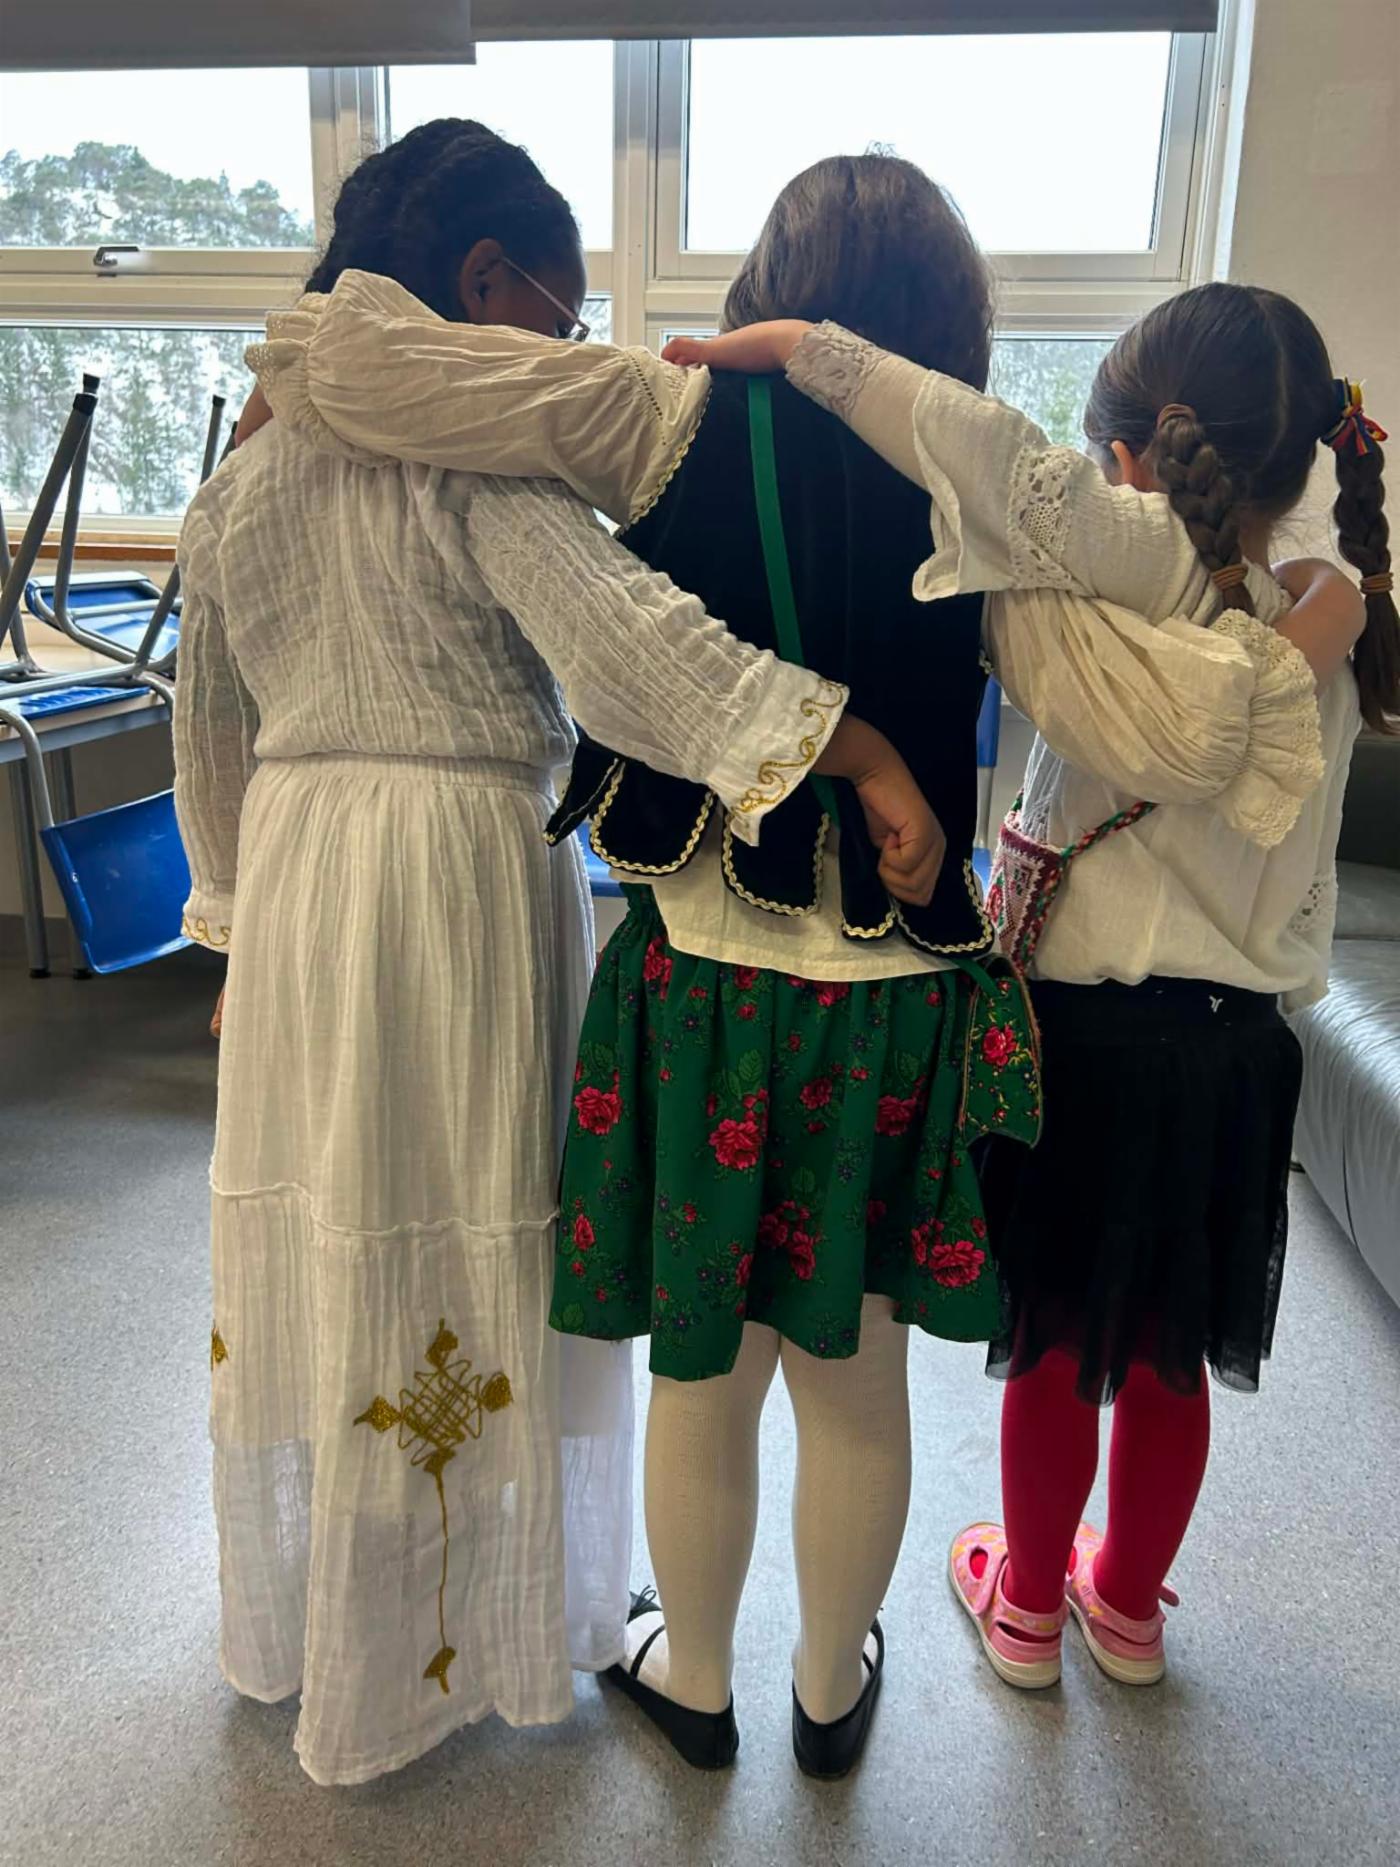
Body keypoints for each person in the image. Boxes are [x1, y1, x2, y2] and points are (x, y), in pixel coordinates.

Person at [244, 163, 1362, 1770]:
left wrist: (295, 379)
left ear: (770, 286)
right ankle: (831, 1694)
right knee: (855, 1375)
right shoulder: (983, 485)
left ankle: (696, 1684)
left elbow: (421, 388)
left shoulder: (659, 414)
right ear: (950, 321)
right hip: (898, 1006)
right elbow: (1165, 702)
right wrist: (1328, 606)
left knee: (705, 1367)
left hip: (702, 981)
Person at [173, 121, 941, 1788]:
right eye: (563, 309)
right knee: (467, 1218)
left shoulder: (242, 473)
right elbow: (634, 658)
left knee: (338, 1220)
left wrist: (231, 917)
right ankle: (480, 1620)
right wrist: (860, 747)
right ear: (482, 282)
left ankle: (335, 1621)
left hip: (301, 876)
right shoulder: (471, 466)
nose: (568, 343)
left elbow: (207, 723)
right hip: (449, 873)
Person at [673, 284, 1388, 1690]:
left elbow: (967, 442)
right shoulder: (1340, 646)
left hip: (1084, 1037)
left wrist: (801, 347)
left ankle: (1029, 1607)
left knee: (1055, 1338)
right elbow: (1303, 880)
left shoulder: (1117, 588)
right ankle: (1127, 1607)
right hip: (1239, 1051)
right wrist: (1341, 592)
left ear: (1128, 458)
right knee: (1173, 1350)